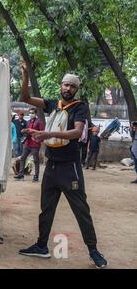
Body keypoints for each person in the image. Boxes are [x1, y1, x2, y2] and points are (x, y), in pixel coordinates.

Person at [18, 62, 108, 269]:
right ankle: (41, 246)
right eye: (65, 85)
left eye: (72, 86)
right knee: (46, 208)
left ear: (77, 89)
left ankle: (93, 251)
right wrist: (25, 75)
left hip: (70, 167)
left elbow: (76, 133)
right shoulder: (53, 104)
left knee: (81, 210)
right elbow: (25, 98)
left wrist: (47, 134)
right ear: (61, 86)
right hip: (52, 167)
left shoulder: (80, 107)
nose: (68, 89)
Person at [14, 107, 44, 182]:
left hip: (35, 144)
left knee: (36, 161)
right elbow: (27, 131)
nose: (31, 114)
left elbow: (42, 132)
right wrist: (24, 131)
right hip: (28, 143)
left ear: (35, 113)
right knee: (22, 158)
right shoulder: (28, 122)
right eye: (30, 113)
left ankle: (36, 176)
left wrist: (36, 137)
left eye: (32, 113)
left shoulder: (39, 122)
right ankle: (21, 175)